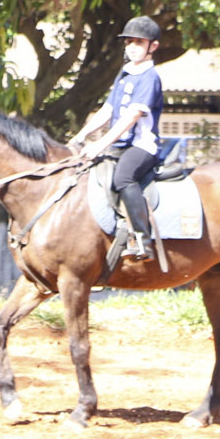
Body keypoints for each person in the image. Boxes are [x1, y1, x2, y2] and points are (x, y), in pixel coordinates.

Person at [70, 16, 166, 260]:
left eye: (138, 42)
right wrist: (82, 135)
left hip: (141, 146)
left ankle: (143, 240)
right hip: (120, 145)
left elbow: (131, 117)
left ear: (152, 46)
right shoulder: (125, 74)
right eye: (129, 42)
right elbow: (108, 110)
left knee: (123, 176)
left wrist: (101, 144)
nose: (132, 46)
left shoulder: (149, 77)